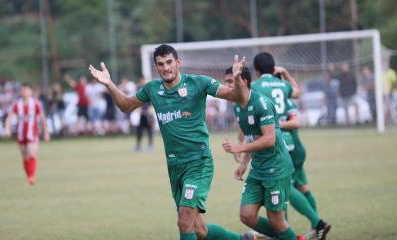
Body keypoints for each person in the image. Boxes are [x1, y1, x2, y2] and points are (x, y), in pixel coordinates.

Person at [89, 44, 257, 240]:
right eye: (161, 64)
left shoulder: (198, 83)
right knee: (199, 231)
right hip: (175, 166)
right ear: (156, 67)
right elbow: (126, 106)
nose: (166, 68)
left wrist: (236, 80)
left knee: (184, 222)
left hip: (198, 164)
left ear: (178, 62)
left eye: (169, 62)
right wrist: (109, 84)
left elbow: (237, 96)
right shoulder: (152, 89)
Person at [222, 67, 296, 240]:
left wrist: (239, 148)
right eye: (225, 81)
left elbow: (269, 139)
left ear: (243, 82)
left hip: (276, 168)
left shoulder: (261, 103)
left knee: (276, 220)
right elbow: (250, 136)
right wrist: (243, 163)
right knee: (246, 215)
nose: (226, 85)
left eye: (230, 81)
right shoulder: (237, 107)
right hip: (258, 169)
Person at [279, 98, 331, 240]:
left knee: (285, 188)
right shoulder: (286, 94)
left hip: (290, 149)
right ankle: (316, 227)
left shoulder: (268, 96)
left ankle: (315, 223)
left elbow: (296, 122)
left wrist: (278, 124)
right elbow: (295, 90)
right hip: (295, 148)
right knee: (302, 187)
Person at [4, 83, 50, 185]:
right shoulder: (17, 104)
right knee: (25, 156)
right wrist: (7, 128)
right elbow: (10, 117)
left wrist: (46, 132)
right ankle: (29, 176)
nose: (24, 91)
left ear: (30, 92)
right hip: (20, 134)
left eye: (26, 89)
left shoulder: (36, 103)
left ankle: (31, 177)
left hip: (32, 134)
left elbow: (42, 118)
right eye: (22, 90)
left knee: (31, 152)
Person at [134, 76, 155, 152]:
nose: (143, 81)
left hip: (148, 113)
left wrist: (150, 110)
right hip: (141, 114)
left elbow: (152, 102)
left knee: (150, 130)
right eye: (142, 80)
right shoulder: (138, 89)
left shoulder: (149, 89)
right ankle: (138, 146)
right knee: (139, 131)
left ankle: (150, 145)